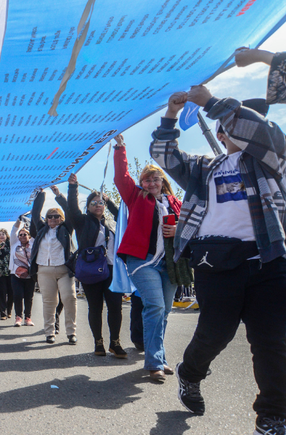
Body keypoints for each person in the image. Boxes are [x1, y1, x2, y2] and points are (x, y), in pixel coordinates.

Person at [153, 81, 286, 434]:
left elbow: (263, 133)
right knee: (215, 333)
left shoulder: (273, 160)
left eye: (255, 120)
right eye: (237, 120)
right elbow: (164, 156)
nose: (249, 125)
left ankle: (273, 418)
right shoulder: (204, 168)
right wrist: (171, 115)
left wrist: (213, 101)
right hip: (215, 261)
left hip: (269, 259)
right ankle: (190, 373)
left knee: (270, 342)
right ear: (221, 129)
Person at [113, 133, 184, 383]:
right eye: (147, 179)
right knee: (154, 306)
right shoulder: (137, 197)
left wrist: (178, 229)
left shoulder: (176, 203)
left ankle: (159, 357)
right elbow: (121, 179)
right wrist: (120, 149)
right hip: (142, 262)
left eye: (156, 178)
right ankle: (154, 362)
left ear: (162, 181)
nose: (152, 182)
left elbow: (190, 226)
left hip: (170, 264)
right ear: (142, 183)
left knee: (164, 312)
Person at [63, 173, 125, 358]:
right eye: (94, 203)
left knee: (115, 306)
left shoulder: (112, 224)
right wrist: (73, 187)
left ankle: (115, 342)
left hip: (112, 270)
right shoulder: (82, 222)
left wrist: (109, 200)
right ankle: (98, 342)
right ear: (88, 207)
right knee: (95, 307)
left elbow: (122, 214)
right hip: (91, 271)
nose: (98, 205)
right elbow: (72, 209)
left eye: (101, 203)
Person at [30, 187, 76, 343]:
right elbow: (35, 213)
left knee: (69, 298)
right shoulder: (42, 229)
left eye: (56, 216)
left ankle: (71, 332)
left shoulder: (66, 229)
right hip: (44, 270)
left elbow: (70, 211)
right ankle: (50, 332)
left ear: (61, 218)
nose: (53, 219)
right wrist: (41, 194)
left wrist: (58, 195)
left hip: (64, 270)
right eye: (50, 216)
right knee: (49, 302)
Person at [0, 228, 13, 320]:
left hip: (10, 272)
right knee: (1, 293)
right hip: (0, 274)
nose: (1, 236)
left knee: (11, 293)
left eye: (3, 234)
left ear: (6, 236)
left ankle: (9, 310)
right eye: (0, 234)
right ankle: (2, 313)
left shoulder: (10, 245)